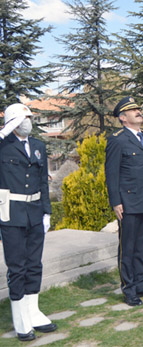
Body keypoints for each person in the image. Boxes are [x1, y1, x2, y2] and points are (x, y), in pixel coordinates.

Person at [0, 104, 57, 341]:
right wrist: (3, 132)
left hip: (34, 211)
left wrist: (46, 211)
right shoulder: (3, 145)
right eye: (24, 118)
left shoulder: (38, 146)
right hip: (10, 212)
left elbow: (43, 181)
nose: (29, 122)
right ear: (13, 122)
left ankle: (33, 312)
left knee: (34, 264)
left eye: (30, 118)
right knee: (17, 267)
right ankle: (21, 319)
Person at [105, 97, 143, 306]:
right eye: (133, 110)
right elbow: (111, 174)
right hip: (128, 202)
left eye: (139, 108)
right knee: (128, 247)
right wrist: (116, 202)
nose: (139, 112)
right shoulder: (117, 139)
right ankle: (129, 289)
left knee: (141, 246)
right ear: (123, 117)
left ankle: (141, 284)